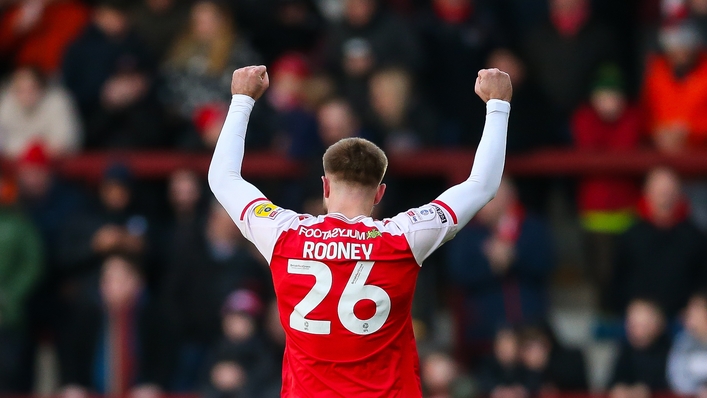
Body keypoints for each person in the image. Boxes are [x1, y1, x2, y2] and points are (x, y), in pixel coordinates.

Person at [209, 65, 511, 396]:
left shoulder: (284, 233)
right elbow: (482, 186)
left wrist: (241, 99)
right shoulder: (403, 237)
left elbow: (223, 179)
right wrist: (497, 104)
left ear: (324, 187)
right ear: (380, 193)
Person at [611, 167, 707, 318]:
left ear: (679, 194)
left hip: (684, 322)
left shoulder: (695, 237)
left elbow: (702, 282)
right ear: (647, 193)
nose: (664, 197)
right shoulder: (631, 236)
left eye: (669, 191)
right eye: (660, 191)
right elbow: (617, 283)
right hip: (639, 323)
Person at [0, 66, 82, 157]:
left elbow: (66, 140)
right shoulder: (6, 102)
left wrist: (38, 149)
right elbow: (2, 141)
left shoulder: (58, 101)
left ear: (42, 87)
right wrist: (30, 148)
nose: (26, 95)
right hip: (13, 164)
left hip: (57, 165)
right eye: (20, 90)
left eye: (31, 88)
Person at [609, 298, 670, 398]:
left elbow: (674, 384)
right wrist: (619, 388)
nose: (637, 331)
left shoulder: (671, 351)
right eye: (633, 324)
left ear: (658, 324)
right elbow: (613, 383)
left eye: (643, 325)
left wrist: (647, 390)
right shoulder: (625, 350)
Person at [667, 289, 707, 396]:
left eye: (696, 311)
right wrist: (698, 391)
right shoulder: (683, 341)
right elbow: (676, 376)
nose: (688, 316)